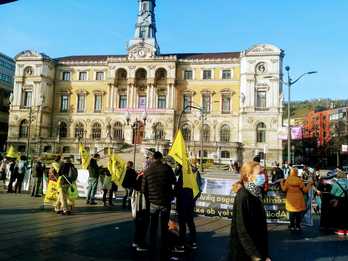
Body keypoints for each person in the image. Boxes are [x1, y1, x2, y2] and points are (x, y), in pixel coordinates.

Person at [230, 161, 271, 261]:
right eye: (259, 173)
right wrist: (255, 256)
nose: (263, 176)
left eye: (263, 172)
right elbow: (242, 229)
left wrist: (264, 254)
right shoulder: (243, 196)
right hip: (246, 254)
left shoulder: (256, 193)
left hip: (258, 248)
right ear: (249, 176)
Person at [142, 151, 176, 261]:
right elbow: (174, 181)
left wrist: (150, 197)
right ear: (161, 158)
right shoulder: (167, 168)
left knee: (153, 224)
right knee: (164, 224)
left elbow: (143, 189)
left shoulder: (147, 170)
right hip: (165, 202)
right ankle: (163, 245)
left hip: (153, 202)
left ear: (153, 158)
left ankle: (152, 243)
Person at [174, 164, 197, 252]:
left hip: (182, 203)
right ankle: (193, 241)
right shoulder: (192, 178)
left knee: (182, 224)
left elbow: (176, 191)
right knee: (190, 222)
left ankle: (181, 244)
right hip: (190, 202)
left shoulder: (182, 179)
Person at [131, 171, 148, 252]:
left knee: (138, 226)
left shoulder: (136, 185)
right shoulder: (141, 190)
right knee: (142, 225)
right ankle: (140, 244)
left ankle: (135, 241)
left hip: (136, 208)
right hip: (141, 207)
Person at [330, 171, 348, 236]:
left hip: (339, 200)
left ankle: (341, 230)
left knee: (339, 215)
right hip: (346, 200)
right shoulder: (347, 182)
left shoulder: (337, 183)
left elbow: (332, 192)